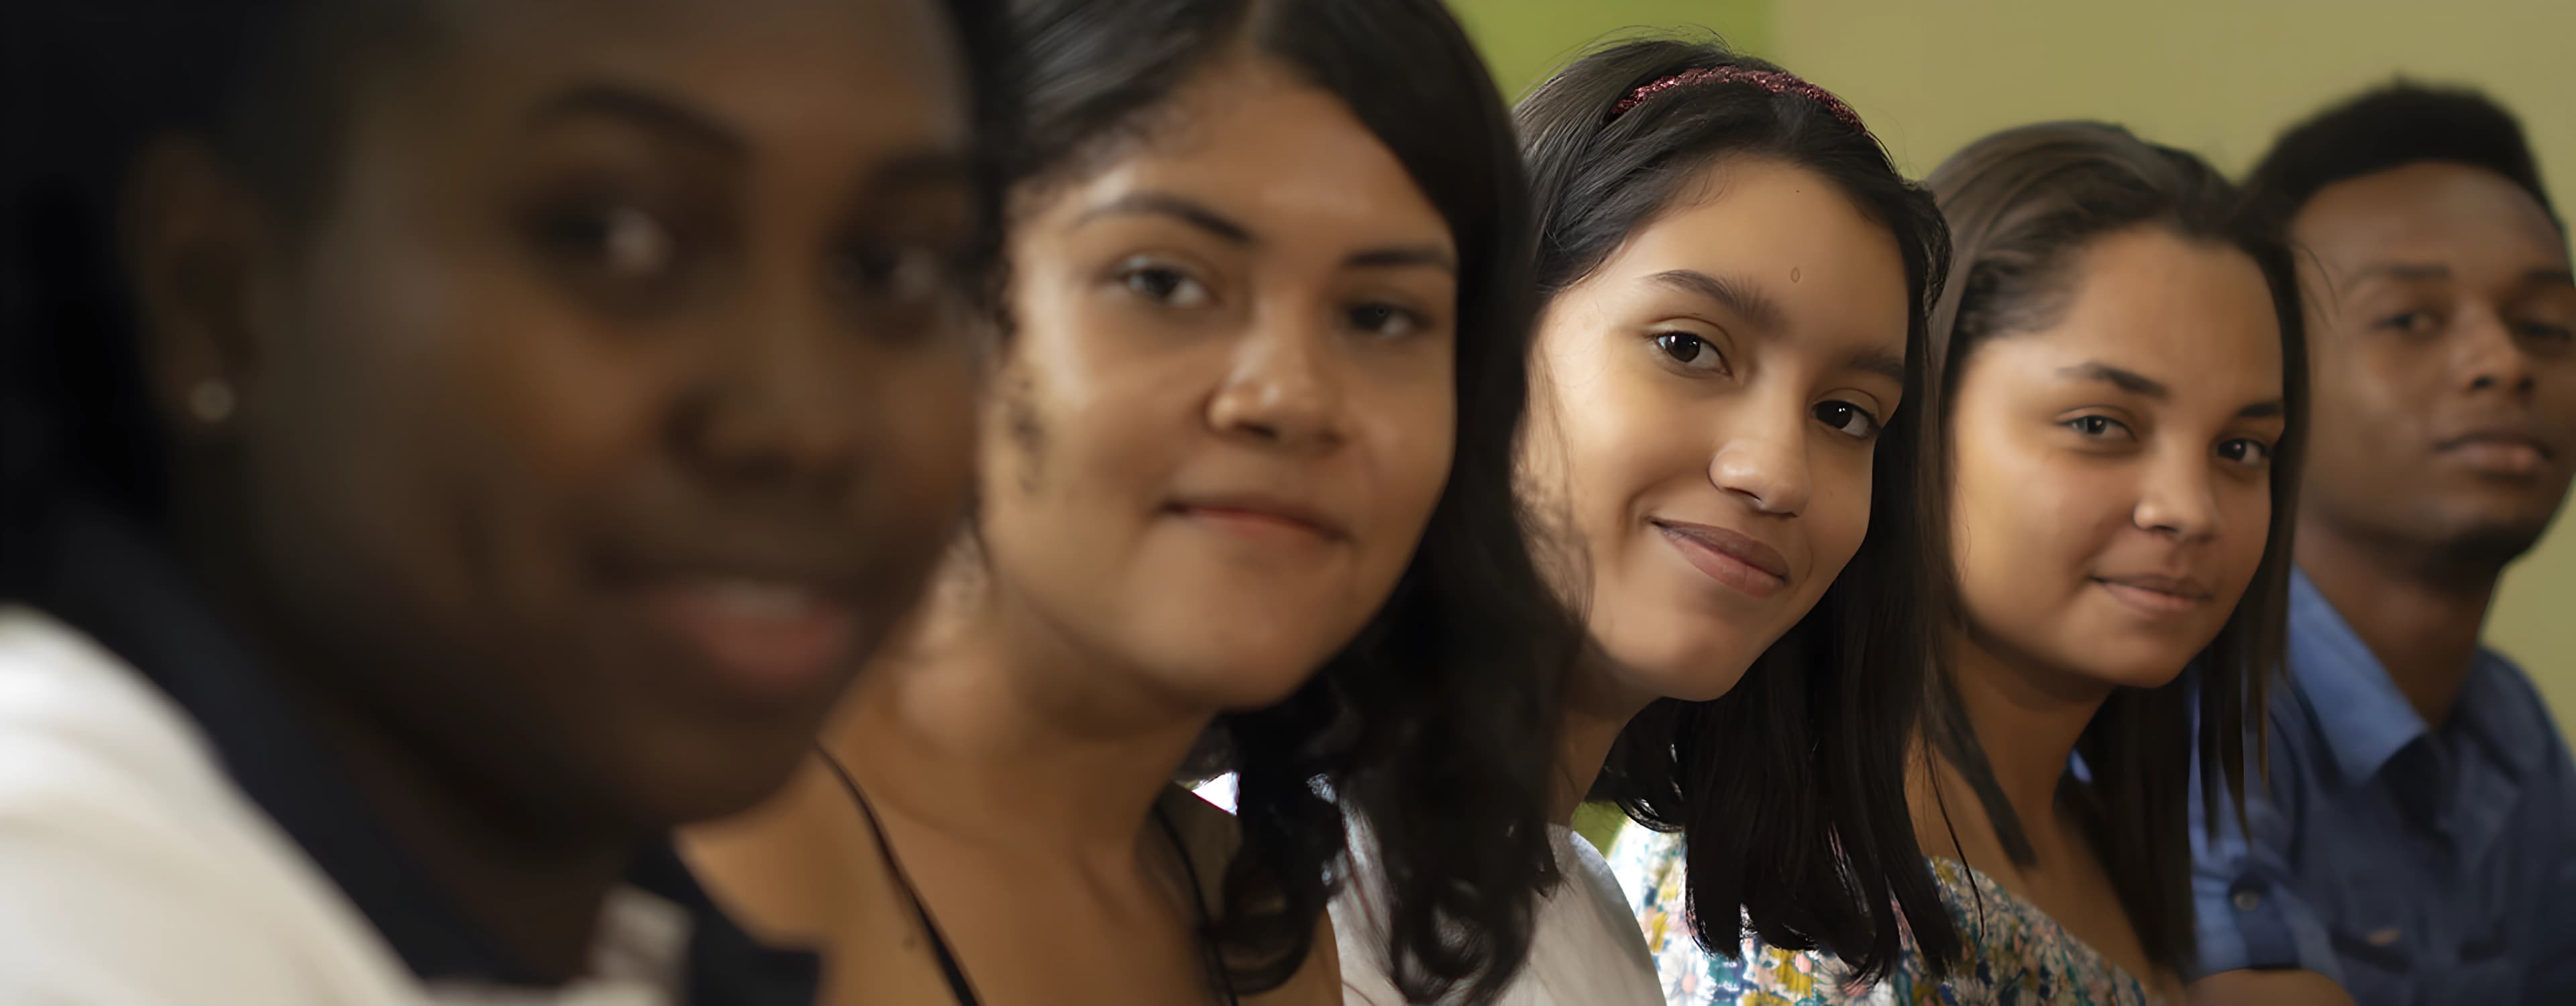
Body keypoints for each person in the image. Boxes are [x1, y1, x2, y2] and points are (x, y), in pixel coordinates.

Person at [0, 0, 1011, 1003]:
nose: (803, 424)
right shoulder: (72, 926)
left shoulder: (598, 932)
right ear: (219, 294)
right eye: (611, 238)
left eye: (892, 267)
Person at [682, 2, 1573, 1004]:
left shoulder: (1259, 920)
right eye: (1163, 282)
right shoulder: (684, 841)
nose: (1289, 395)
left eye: (1380, 315)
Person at [1618, 121, 2310, 1004]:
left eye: (2243, 448)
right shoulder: (1808, 906)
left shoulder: (2093, 827)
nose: (2190, 507)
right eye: (2099, 425)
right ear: (1913, 419)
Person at [1335, 37, 1960, 1006]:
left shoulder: (1589, 917)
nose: (1777, 471)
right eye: (1689, 347)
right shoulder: (1286, 888)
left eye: (1845, 414)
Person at [2185, 82, 2576, 1006]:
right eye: (2410, 319)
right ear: (2266, 376)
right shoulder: (2204, 686)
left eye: (2547, 327)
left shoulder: (2509, 730)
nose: (2502, 362)